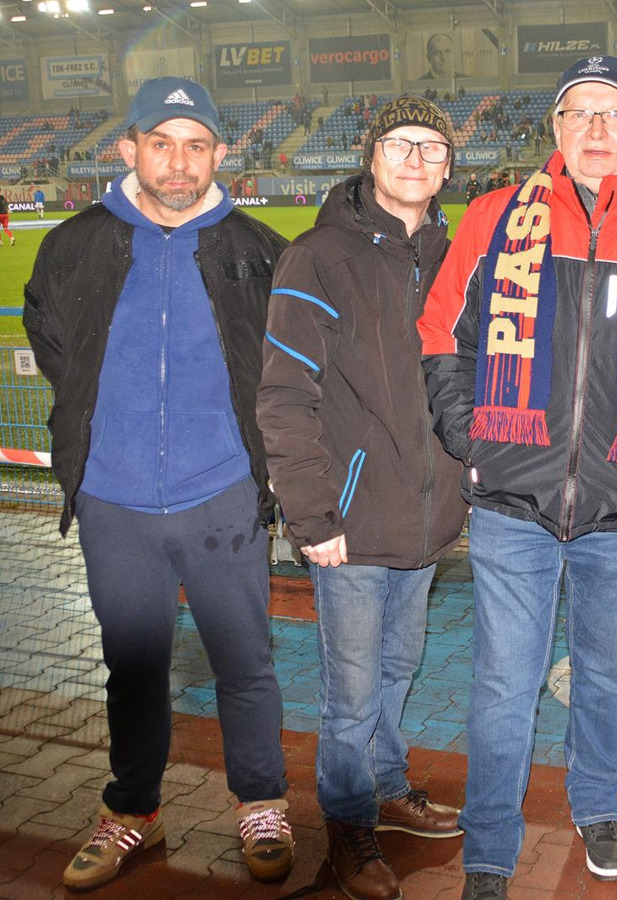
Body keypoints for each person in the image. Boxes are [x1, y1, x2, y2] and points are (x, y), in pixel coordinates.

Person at [419, 55, 617, 900]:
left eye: (615, 113)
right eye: (580, 113)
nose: (597, 130)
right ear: (557, 129)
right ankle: (490, 847)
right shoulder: (496, 217)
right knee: (504, 683)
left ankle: (596, 806)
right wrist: (473, 439)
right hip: (512, 502)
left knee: (606, 676)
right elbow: (441, 333)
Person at [23, 77, 295, 892]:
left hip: (224, 495)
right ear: (129, 149)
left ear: (220, 154)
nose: (180, 162)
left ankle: (261, 802)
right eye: (162, 143)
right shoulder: (73, 243)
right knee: (133, 667)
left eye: (196, 145)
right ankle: (133, 810)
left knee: (245, 663)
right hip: (115, 501)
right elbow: (54, 344)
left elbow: (281, 364)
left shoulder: (259, 248)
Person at [256, 96, 469, 900]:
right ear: (371, 155)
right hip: (347, 521)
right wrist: (311, 513)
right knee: (350, 690)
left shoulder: (457, 256)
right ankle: (347, 822)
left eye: (432, 147)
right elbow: (285, 395)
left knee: (398, 666)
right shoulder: (317, 257)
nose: (416, 159)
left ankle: (385, 783)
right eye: (400, 143)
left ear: (448, 168)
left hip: (426, 516)